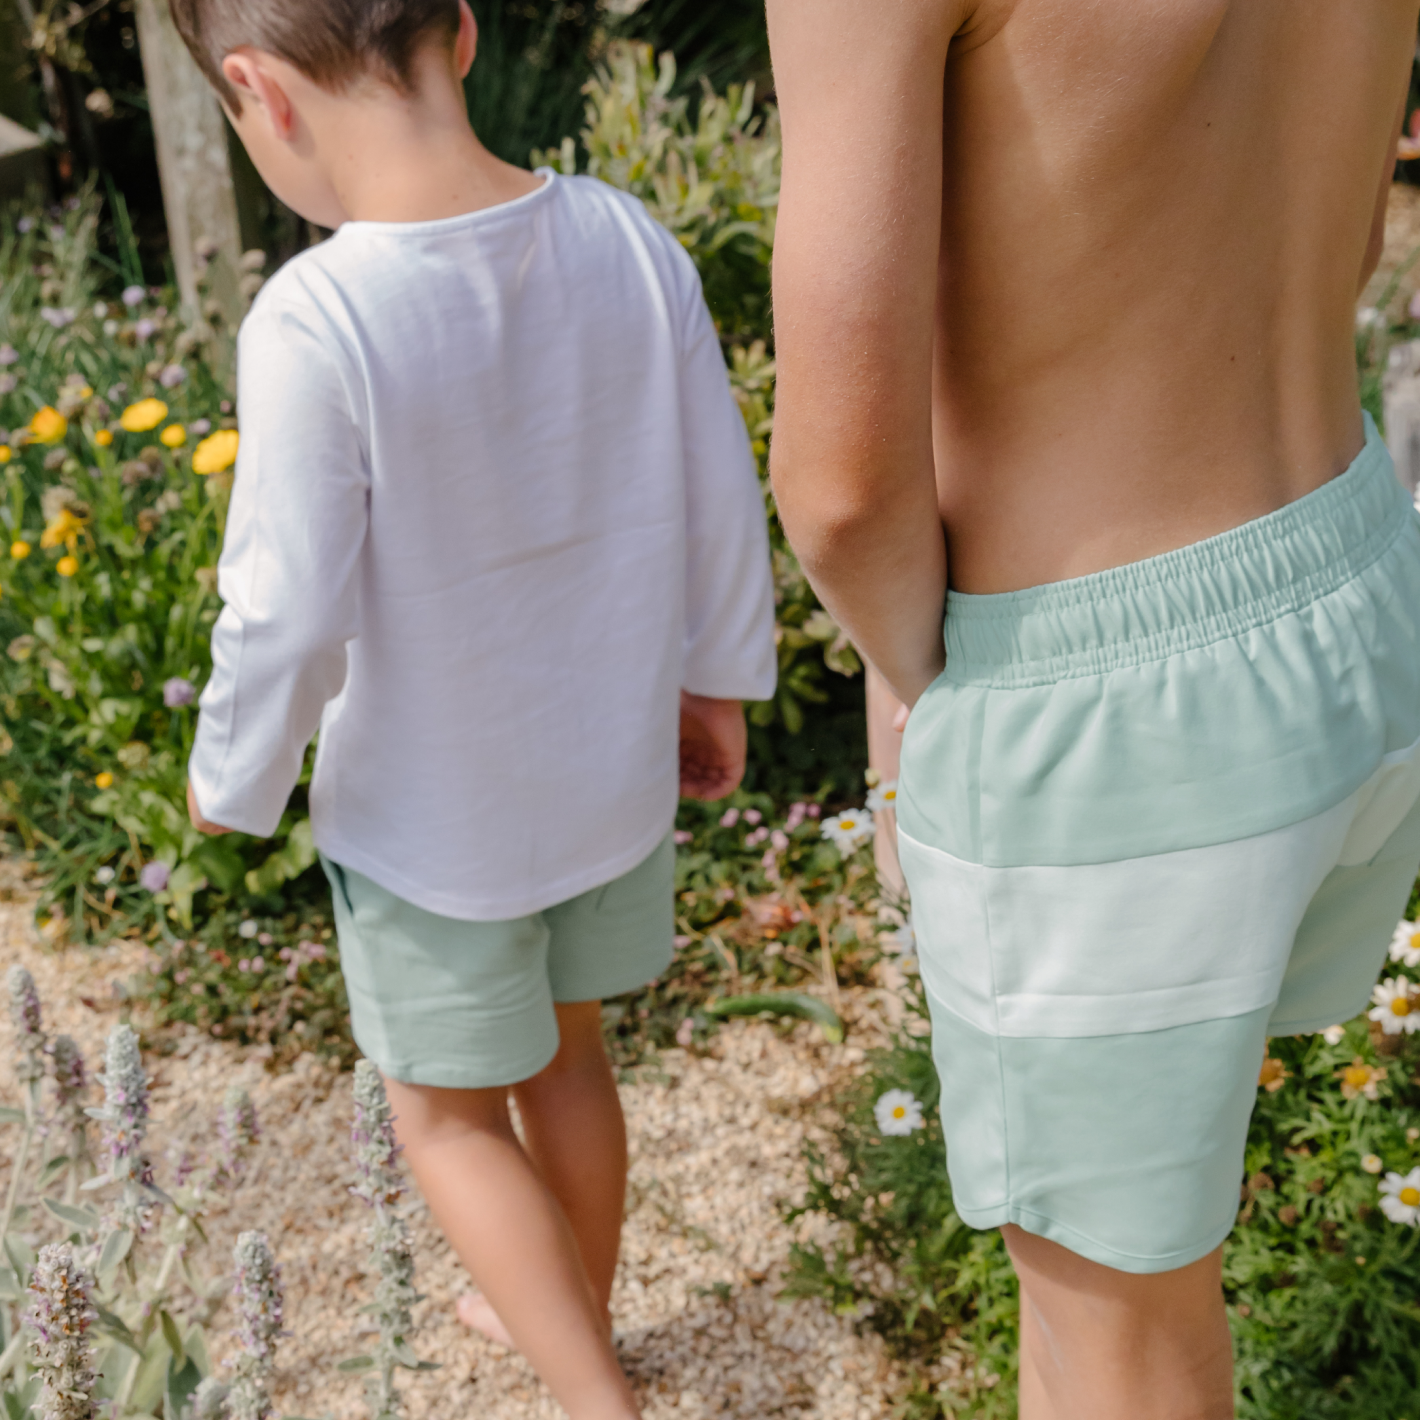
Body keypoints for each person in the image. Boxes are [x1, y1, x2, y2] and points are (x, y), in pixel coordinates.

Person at [766, 3, 1420, 1417]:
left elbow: (841, 484)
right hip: (1348, 554)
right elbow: (1353, 239)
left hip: (1110, 711)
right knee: (1107, 1291)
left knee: (1117, 1329)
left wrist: (939, 703)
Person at [172, 3, 776, 1415]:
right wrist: (719, 680)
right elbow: (718, 493)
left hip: (435, 824)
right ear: (457, 29)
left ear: (259, 93)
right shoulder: (628, 239)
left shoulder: (319, 317)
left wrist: (237, 777)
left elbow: (286, 606)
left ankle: (591, 1394)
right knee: (572, 1060)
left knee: (443, 1117)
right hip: (604, 777)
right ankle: (572, 1318)